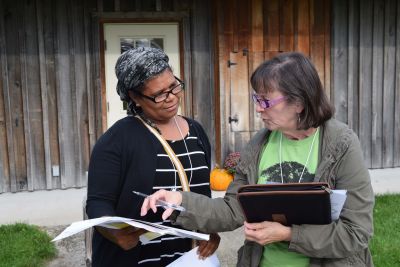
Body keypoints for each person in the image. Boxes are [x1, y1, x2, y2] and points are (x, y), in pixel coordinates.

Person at [141, 52, 375, 266]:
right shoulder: (259, 145)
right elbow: (233, 209)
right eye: (257, 100)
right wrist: (179, 201)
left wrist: (288, 234)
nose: (258, 109)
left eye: (266, 102)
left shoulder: (341, 144)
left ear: (299, 103)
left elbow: (355, 234)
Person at [86, 47, 220, 267]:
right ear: (135, 97)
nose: (171, 98)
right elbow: (98, 203)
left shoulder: (196, 131)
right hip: (139, 258)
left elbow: (203, 195)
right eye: (159, 94)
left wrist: (209, 231)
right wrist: (115, 234)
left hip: (190, 257)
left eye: (173, 86)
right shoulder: (118, 139)